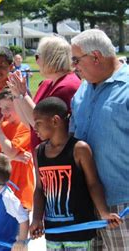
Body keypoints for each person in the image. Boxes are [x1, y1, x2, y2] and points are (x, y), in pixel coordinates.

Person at [30, 97, 122, 251]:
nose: (35, 128)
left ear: (55, 121)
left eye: (38, 123)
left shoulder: (79, 149)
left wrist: (104, 213)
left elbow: (93, 184)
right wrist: (37, 219)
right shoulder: (39, 151)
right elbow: (40, 189)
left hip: (80, 233)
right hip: (54, 233)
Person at [70, 29, 129, 250]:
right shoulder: (82, 92)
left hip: (122, 204)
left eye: (76, 60)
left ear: (95, 56)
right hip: (85, 204)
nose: (74, 67)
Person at [7, 35, 80, 149]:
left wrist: (24, 95)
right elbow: (29, 124)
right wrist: (17, 94)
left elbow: (42, 126)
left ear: (51, 58)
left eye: (37, 56)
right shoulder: (46, 84)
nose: (36, 62)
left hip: (56, 159)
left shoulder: (67, 86)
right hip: (42, 156)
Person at [0, 88, 34, 210]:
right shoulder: (0, 126)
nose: (3, 112)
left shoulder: (26, 127)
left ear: (20, 106)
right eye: (1, 108)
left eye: (7, 108)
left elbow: (10, 151)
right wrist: (13, 158)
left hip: (21, 192)